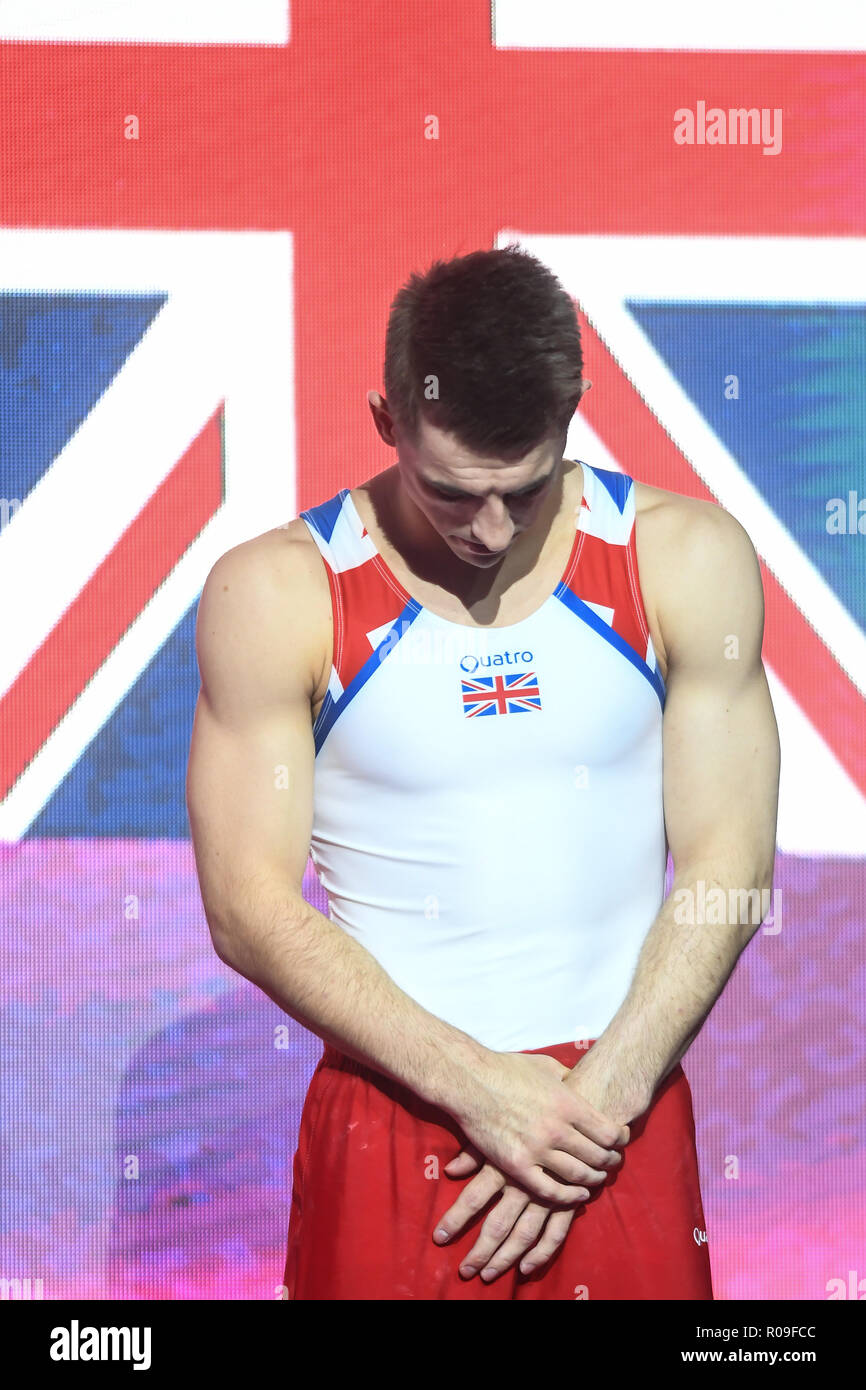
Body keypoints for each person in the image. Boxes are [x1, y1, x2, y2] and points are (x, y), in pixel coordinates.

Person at [186, 245, 780, 1300]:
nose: (490, 531)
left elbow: (726, 860)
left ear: (572, 414)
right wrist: (482, 1090)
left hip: (615, 1108)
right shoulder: (278, 592)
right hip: (398, 1115)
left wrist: (588, 1109)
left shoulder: (686, 557)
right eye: (451, 492)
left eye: (525, 486)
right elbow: (246, 906)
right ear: (384, 420)